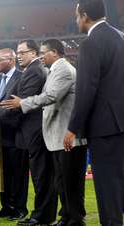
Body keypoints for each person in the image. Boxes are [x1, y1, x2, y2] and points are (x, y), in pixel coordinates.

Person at [1, 39, 87, 226]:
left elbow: (50, 96)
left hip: (65, 134)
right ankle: (66, 217)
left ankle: (74, 219)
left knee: (68, 181)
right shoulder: (55, 70)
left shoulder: (63, 69)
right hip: (57, 135)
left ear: (55, 52)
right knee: (62, 180)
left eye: (43, 53)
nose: (40, 56)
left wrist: (21, 103)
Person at [63, 1, 124, 225]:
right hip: (120, 122)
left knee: (108, 186)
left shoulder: (91, 43)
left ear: (85, 16)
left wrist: (72, 128)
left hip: (105, 126)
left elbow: (86, 89)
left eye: (77, 15)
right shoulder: (120, 36)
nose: (76, 20)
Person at [0, 48, 28, 221]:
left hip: (17, 133)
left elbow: (19, 104)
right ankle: (6, 207)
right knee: (3, 174)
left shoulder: (23, 77)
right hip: (0, 135)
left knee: (18, 174)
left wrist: (0, 112)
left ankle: (20, 209)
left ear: (11, 60)